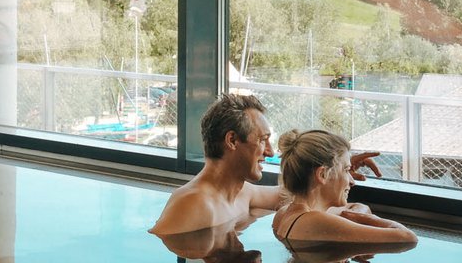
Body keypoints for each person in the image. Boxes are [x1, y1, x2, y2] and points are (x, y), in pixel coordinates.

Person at [150, 94, 383, 236]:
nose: (270, 152)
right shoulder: (193, 205)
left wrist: (337, 169)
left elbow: (300, 192)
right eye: (262, 140)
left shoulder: (243, 193)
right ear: (232, 141)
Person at [269, 129, 417, 245]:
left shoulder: (284, 214)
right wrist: (361, 217)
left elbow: (355, 207)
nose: (352, 181)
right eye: (346, 170)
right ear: (322, 175)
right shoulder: (316, 222)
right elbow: (407, 237)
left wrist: (353, 214)